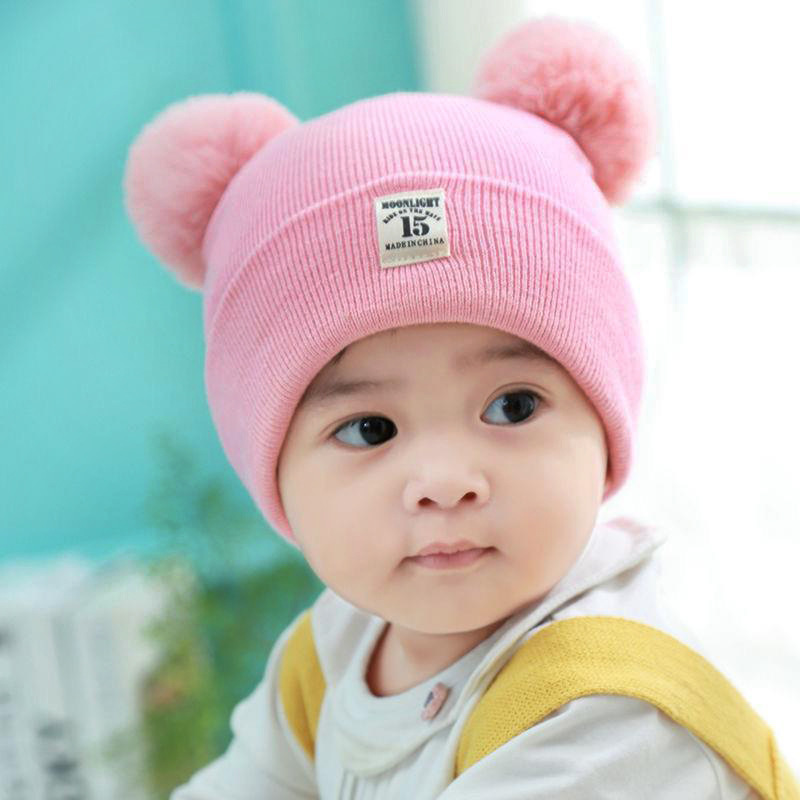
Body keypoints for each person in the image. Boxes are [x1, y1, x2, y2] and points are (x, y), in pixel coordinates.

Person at [122, 14, 798, 799]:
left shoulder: (604, 716)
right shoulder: (337, 651)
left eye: (513, 407)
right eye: (369, 430)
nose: (445, 481)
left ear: (606, 425)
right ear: (271, 472)